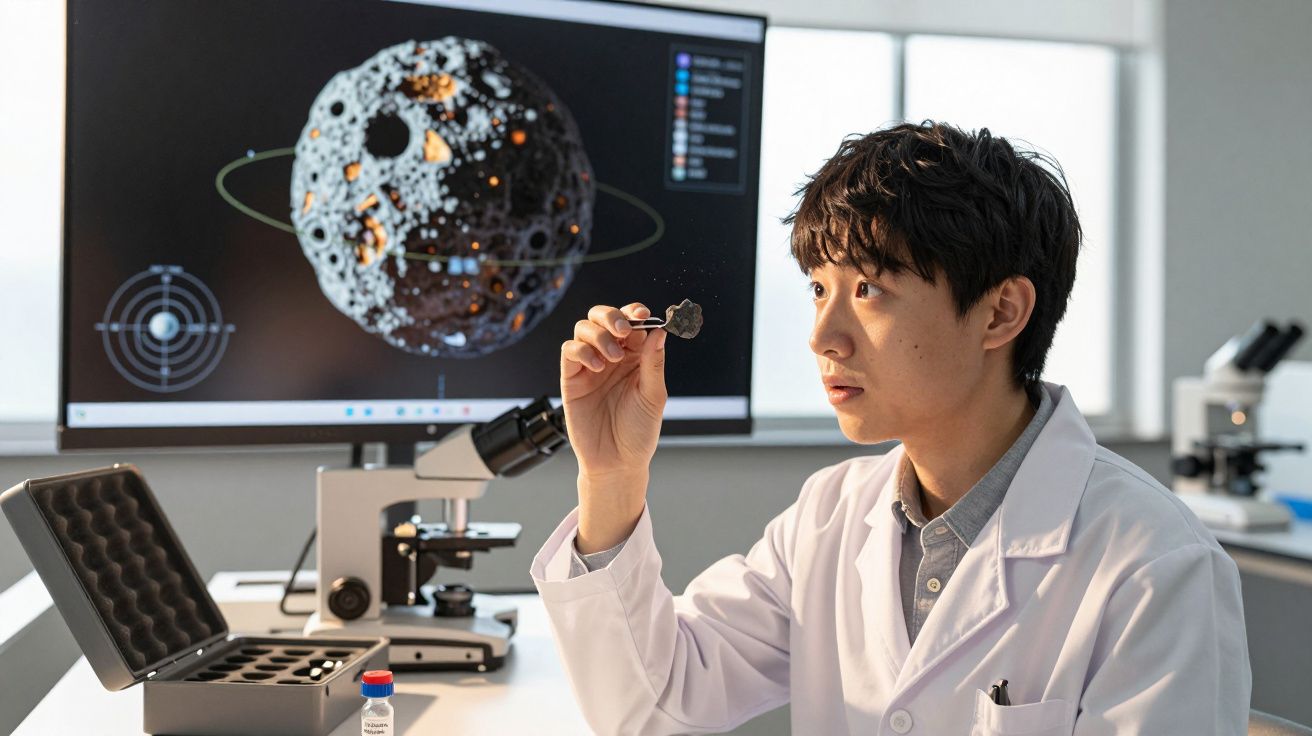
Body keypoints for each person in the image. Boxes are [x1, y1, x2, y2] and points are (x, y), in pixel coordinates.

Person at [530, 121, 1251, 735]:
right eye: (819, 289)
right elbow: (652, 706)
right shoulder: (828, 519)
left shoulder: (1155, 568)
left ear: (1001, 313)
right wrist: (612, 477)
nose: (822, 337)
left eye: (869, 290)